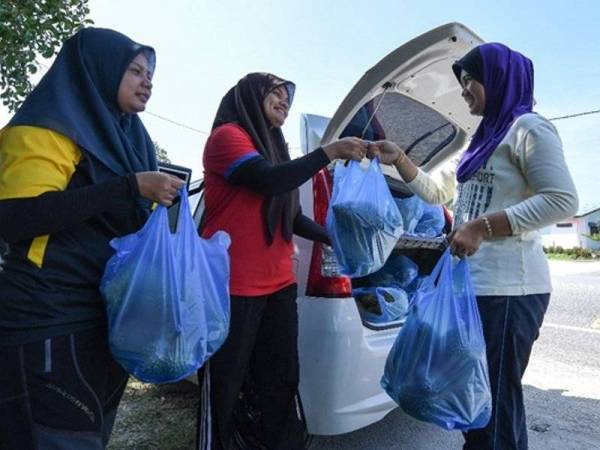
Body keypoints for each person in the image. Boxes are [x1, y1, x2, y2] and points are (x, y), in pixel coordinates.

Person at [368, 43, 578, 449]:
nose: (464, 91)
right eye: (462, 82)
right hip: (476, 288)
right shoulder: (480, 140)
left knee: (493, 405)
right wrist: (401, 160)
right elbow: (438, 192)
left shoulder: (529, 128)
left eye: (470, 82)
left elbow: (562, 199)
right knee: (473, 400)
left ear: (499, 79)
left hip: (510, 291)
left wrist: (482, 227)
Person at [0, 28, 184, 449]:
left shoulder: (129, 138)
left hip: (105, 320)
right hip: (47, 318)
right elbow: (13, 218)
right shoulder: (46, 128)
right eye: (135, 70)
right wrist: (129, 187)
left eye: (150, 73)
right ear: (99, 69)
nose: (148, 81)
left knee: (89, 436)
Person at [197, 72, 366, 450]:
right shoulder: (228, 137)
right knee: (228, 385)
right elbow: (268, 181)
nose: (284, 102)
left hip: (277, 284)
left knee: (280, 379)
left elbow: (289, 216)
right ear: (250, 96)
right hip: (233, 287)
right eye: (275, 93)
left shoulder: (273, 148)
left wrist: (335, 238)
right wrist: (329, 152)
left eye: (288, 98)